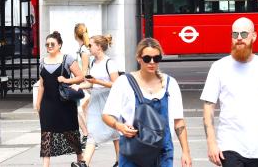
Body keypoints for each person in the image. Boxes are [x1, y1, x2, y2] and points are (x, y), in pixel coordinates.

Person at [202, 17, 258, 167]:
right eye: (235, 34)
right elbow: (209, 107)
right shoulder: (218, 67)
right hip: (229, 146)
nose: (239, 38)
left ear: (254, 36)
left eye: (243, 34)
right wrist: (211, 142)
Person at [102, 37, 193, 167]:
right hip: (132, 152)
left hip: (163, 153)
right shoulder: (124, 82)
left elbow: (178, 121)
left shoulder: (170, 84)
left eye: (156, 59)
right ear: (139, 58)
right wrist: (119, 126)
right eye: (147, 58)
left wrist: (186, 152)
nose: (152, 62)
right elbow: (106, 115)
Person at [35, 31, 87, 167]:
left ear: (59, 45)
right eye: (47, 44)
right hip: (47, 104)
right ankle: (46, 164)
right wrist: (37, 103)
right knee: (46, 133)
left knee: (70, 132)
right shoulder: (42, 61)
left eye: (52, 44)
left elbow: (81, 77)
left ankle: (80, 159)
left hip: (64, 103)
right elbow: (41, 85)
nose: (49, 46)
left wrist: (66, 79)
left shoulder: (67, 59)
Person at [80, 34, 120, 167]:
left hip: (109, 101)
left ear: (99, 47)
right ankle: (84, 163)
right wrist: (77, 86)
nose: (88, 47)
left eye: (91, 45)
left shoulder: (109, 63)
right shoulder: (93, 62)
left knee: (116, 132)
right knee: (92, 132)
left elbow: (116, 84)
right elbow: (92, 84)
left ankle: (120, 161)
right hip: (96, 100)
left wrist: (97, 81)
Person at [75, 23, 93, 139]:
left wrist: (80, 84)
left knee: (79, 110)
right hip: (86, 83)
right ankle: (89, 136)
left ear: (75, 35)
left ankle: (87, 135)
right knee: (85, 111)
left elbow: (85, 70)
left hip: (85, 83)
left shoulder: (84, 50)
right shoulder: (84, 48)